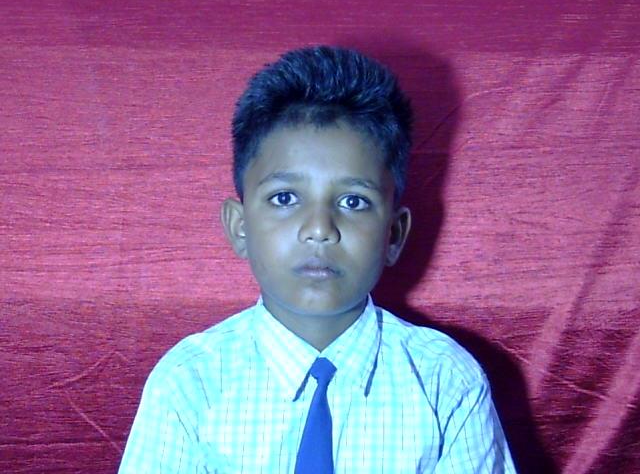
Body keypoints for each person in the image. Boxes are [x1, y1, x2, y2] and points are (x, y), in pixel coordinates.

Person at [119, 45, 516, 473]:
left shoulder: (445, 382)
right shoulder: (189, 384)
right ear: (240, 227)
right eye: (285, 198)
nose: (319, 228)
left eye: (353, 201)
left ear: (394, 234)